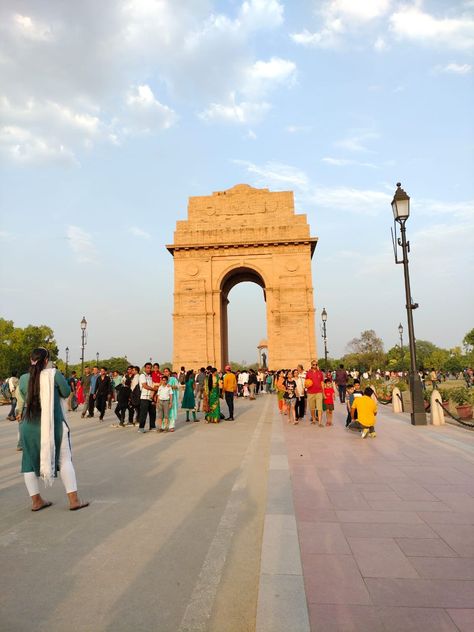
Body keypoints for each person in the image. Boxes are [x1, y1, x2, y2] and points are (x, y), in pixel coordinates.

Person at [18, 347, 88, 511]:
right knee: (64, 459)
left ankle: (36, 501)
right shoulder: (53, 374)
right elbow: (65, 392)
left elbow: (23, 394)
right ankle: (73, 500)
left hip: (29, 426)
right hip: (52, 424)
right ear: (46, 360)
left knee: (28, 463)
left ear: (31, 359)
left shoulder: (23, 379)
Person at [138, 362, 157, 433]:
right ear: (145, 368)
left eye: (150, 368)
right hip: (144, 397)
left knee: (153, 413)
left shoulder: (151, 376)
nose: (149, 369)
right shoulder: (142, 375)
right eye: (147, 368)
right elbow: (144, 386)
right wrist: (154, 389)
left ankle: (152, 426)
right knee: (143, 413)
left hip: (151, 397)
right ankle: (141, 427)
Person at [306, 361, 324, 426]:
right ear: (311, 365)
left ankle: (319, 422)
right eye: (313, 365)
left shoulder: (320, 373)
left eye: (316, 364)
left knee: (319, 408)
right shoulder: (308, 373)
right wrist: (306, 385)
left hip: (319, 392)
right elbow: (306, 382)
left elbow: (322, 382)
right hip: (310, 392)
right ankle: (313, 419)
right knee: (312, 408)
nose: (315, 366)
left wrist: (323, 391)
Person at [163, 367, 179, 431]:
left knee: (172, 412)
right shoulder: (163, 379)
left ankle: (171, 426)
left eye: (167, 371)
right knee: (164, 412)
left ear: (169, 372)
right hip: (164, 398)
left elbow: (177, 386)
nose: (165, 372)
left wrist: (171, 386)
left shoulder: (173, 379)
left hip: (172, 397)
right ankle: (164, 426)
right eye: (164, 371)